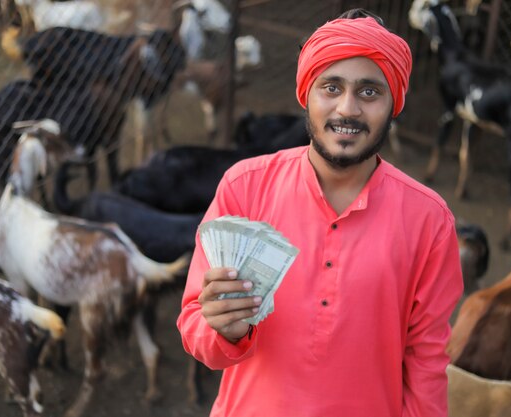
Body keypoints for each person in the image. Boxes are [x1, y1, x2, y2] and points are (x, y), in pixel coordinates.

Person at [177, 9, 463, 417]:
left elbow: (426, 361)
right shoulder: (244, 188)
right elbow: (195, 329)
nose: (347, 109)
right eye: (331, 87)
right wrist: (222, 329)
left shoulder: (429, 221)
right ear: (305, 95)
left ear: (393, 102)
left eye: (369, 92)